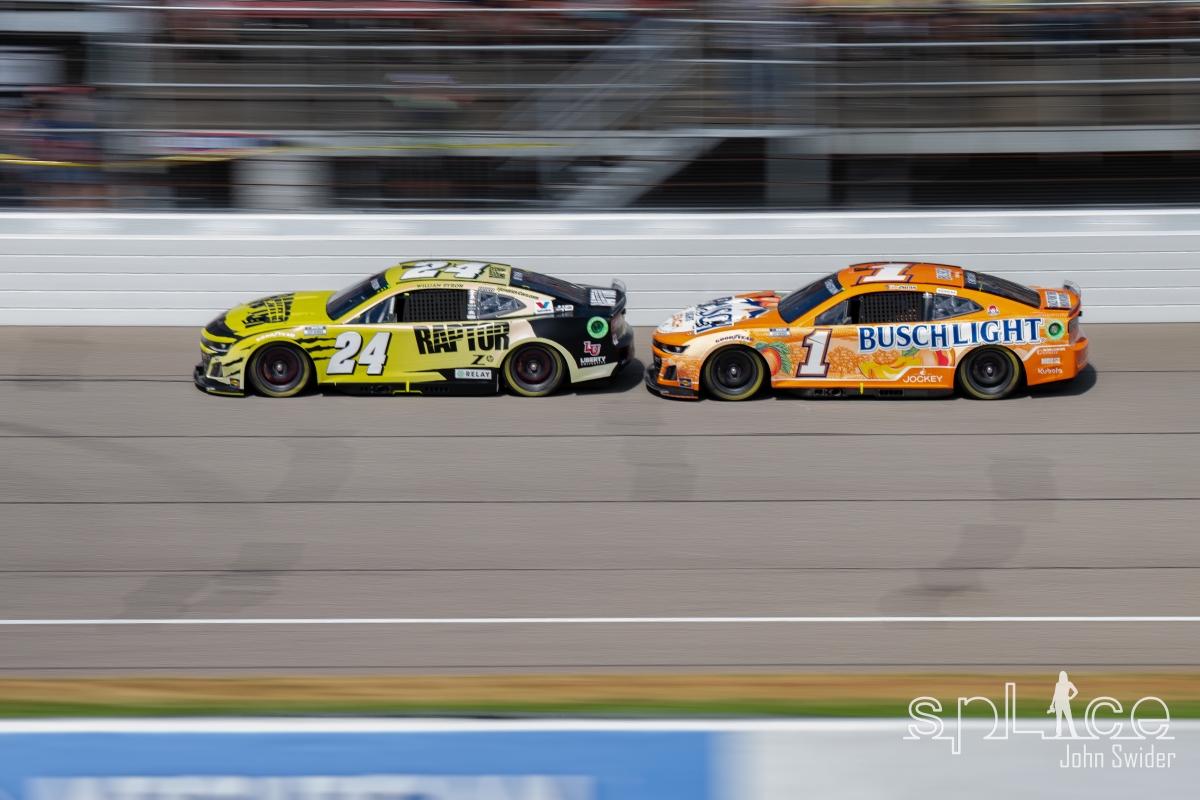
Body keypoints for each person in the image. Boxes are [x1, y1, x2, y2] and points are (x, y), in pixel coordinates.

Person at [1047, 670, 1079, 737]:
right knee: (1068, 718)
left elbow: (1055, 694)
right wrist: (1070, 697)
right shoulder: (1067, 683)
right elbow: (1076, 691)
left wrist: (1052, 703)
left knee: (1059, 719)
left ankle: (1059, 734)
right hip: (1064, 702)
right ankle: (1073, 733)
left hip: (1059, 703)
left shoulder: (1058, 684)